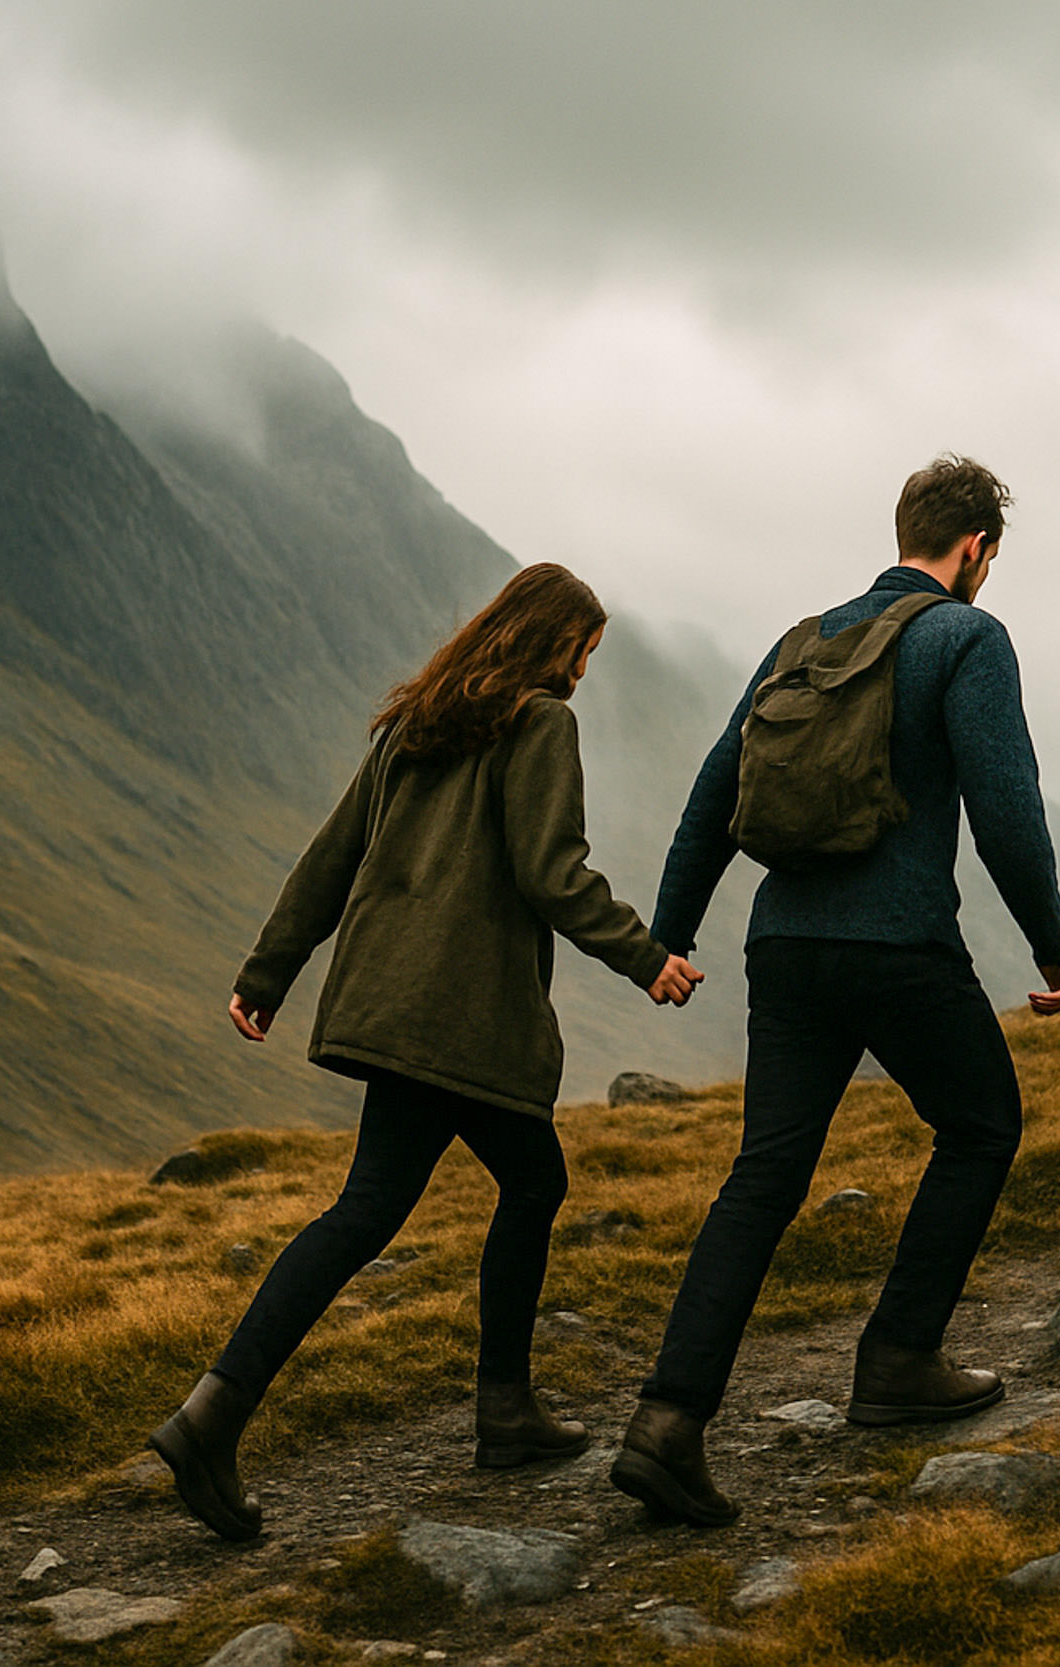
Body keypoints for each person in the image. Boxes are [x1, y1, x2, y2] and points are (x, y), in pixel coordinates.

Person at [150, 562, 707, 1542]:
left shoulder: (420, 720)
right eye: (583, 649)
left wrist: (267, 972)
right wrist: (646, 956)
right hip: (459, 1016)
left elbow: (331, 854)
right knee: (472, 1192)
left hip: (390, 1003)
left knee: (448, 1194)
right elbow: (553, 872)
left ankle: (468, 1410)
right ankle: (236, 1415)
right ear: (550, 640)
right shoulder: (541, 723)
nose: (583, 671)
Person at [609, 455, 1060, 1527]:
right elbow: (1006, 809)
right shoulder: (967, 638)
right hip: (898, 945)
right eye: (989, 558)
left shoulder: (803, 641)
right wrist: (1053, 945)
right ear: (975, 550)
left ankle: (666, 1422)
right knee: (981, 1124)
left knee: (763, 1176)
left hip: (784, 946)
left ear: (903, 531)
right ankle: (899, 1357)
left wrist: (670, 933)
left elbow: (713, 795)